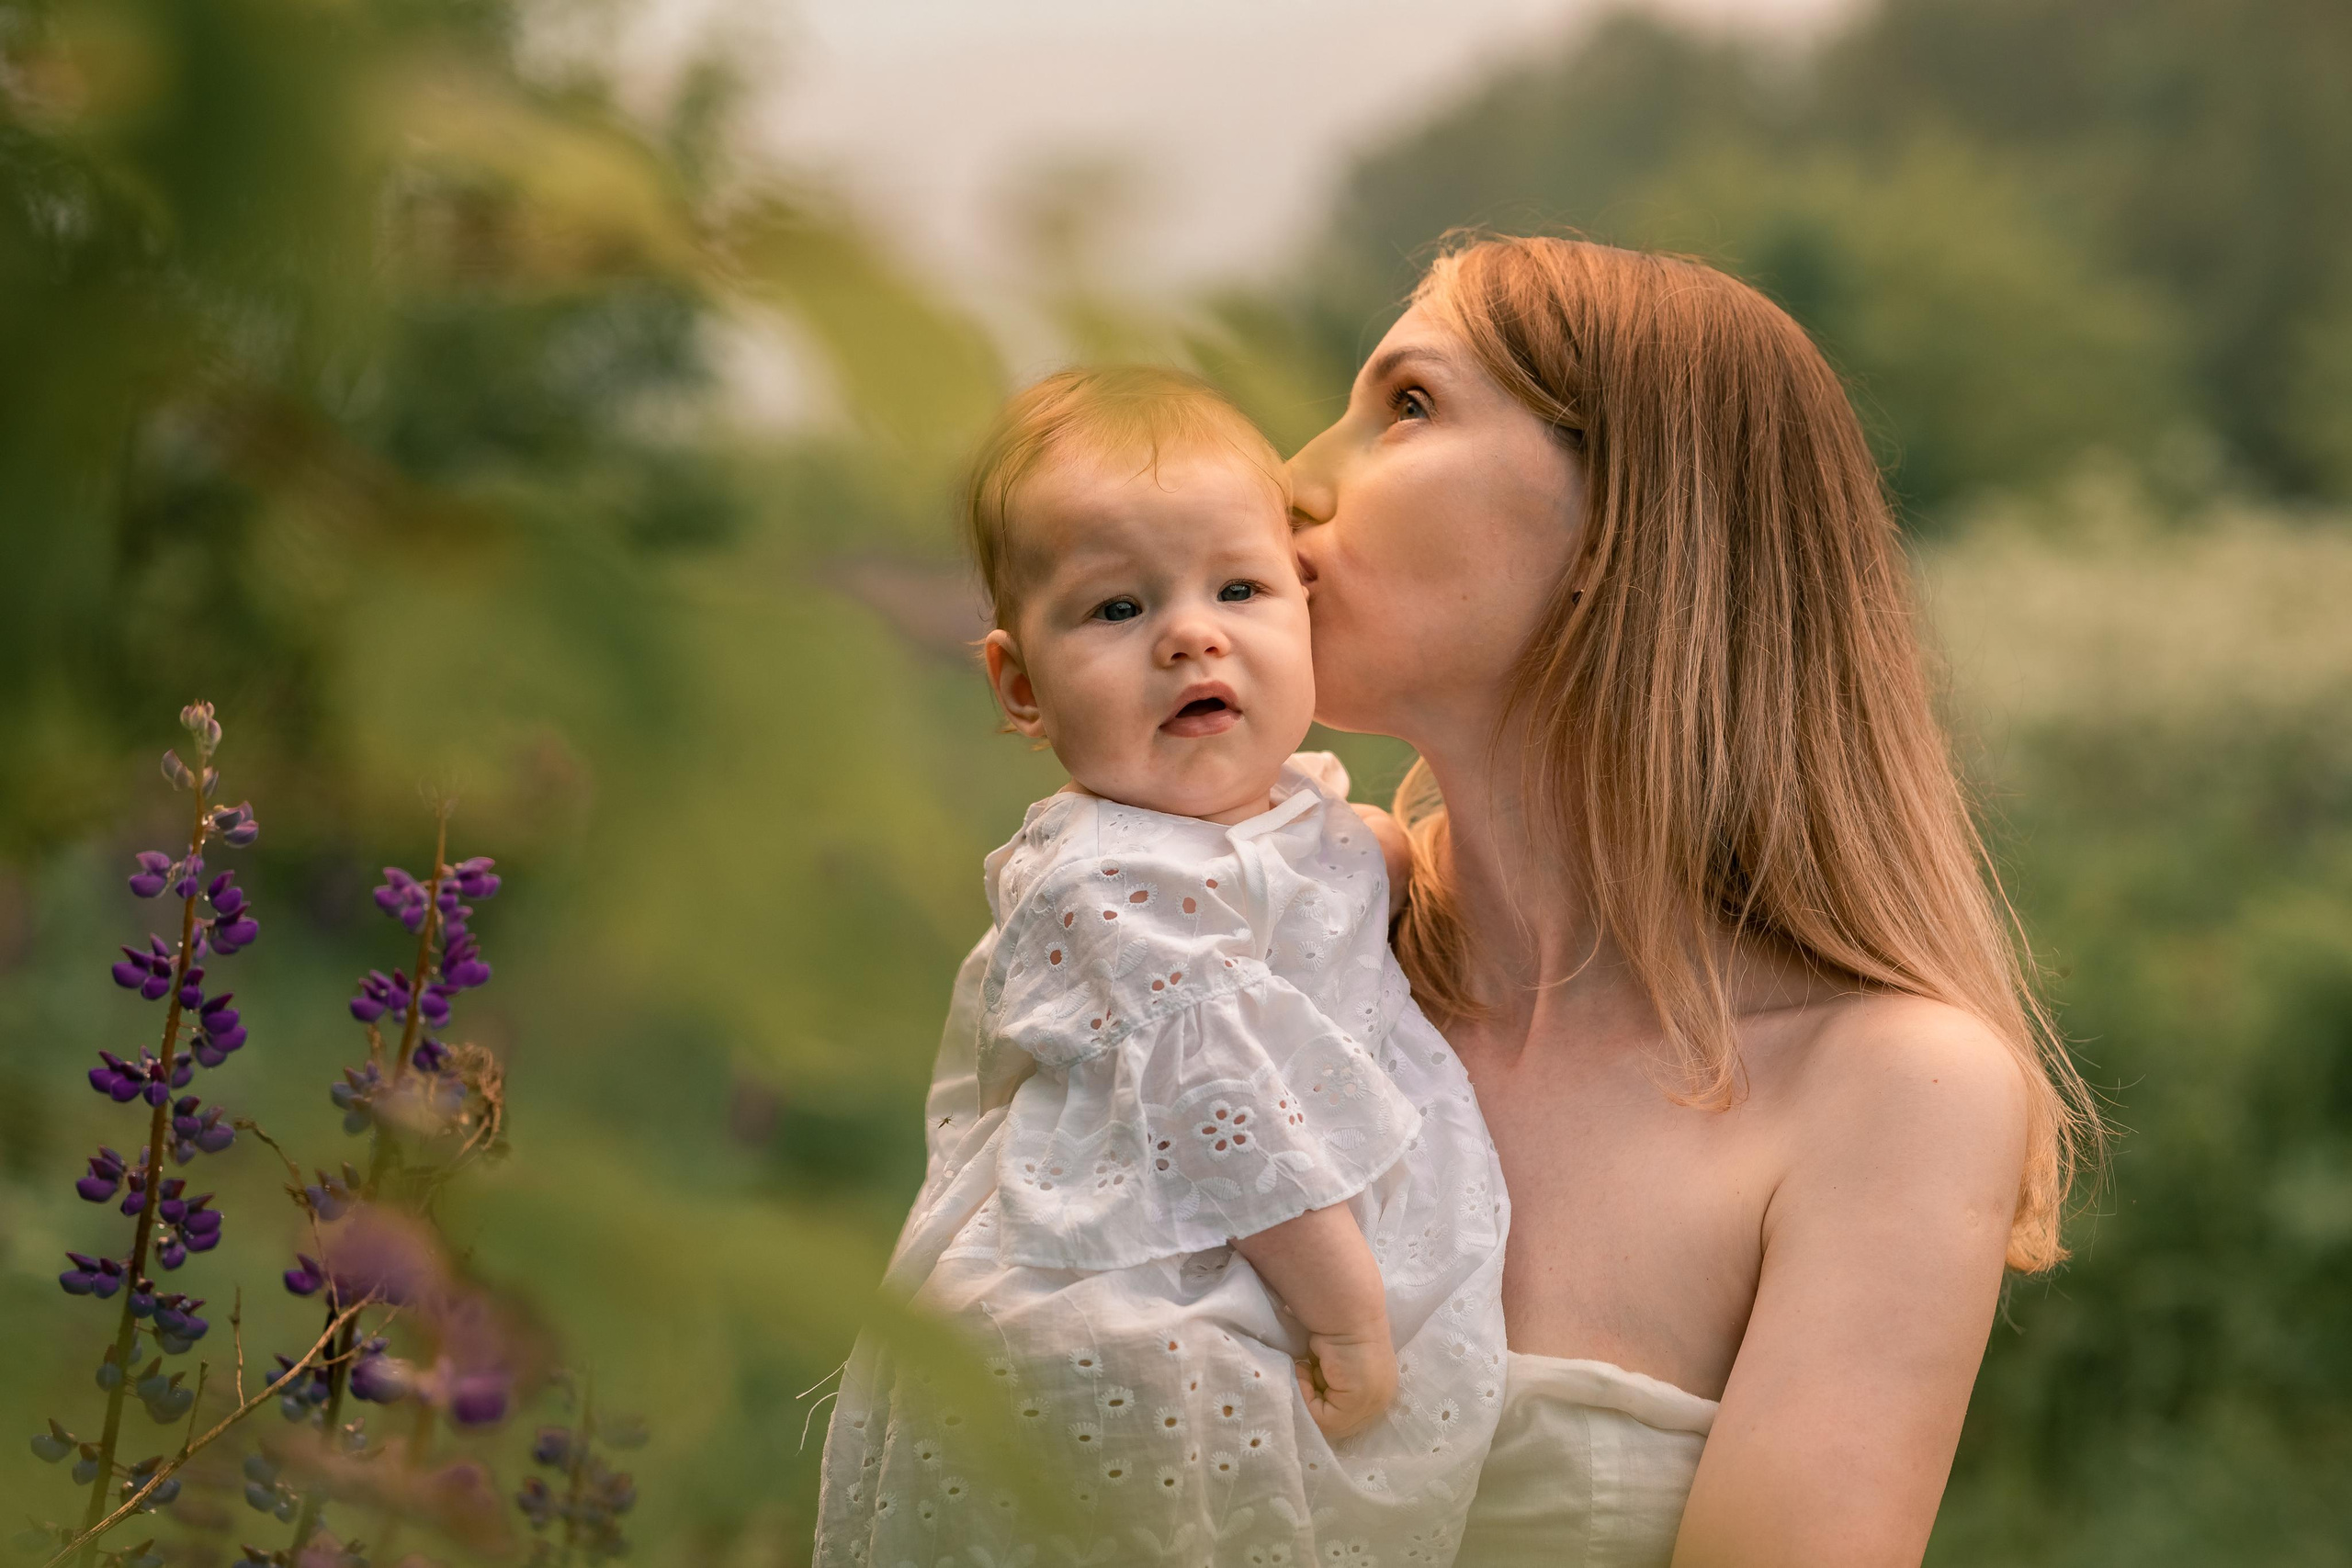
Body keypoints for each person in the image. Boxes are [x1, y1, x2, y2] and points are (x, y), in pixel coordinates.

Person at [1283, 234, 2103, 1567]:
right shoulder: (1271, 952)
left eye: (1410, 405)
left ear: (1621, 527)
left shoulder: (1890, 1090)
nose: (1293, 479)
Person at [813, 367, 1510, 1568]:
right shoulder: (1104, 883)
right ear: (1020, 686)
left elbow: (1324, 882)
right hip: (1130, 1310)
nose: (1191, 632)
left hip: (1247, 1276)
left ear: (1302, 608)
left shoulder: (1304, 823)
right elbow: (1221, 1104)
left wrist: (1378, 859)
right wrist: (1346, 1320)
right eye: (1116, 611)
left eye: (1237, 588)